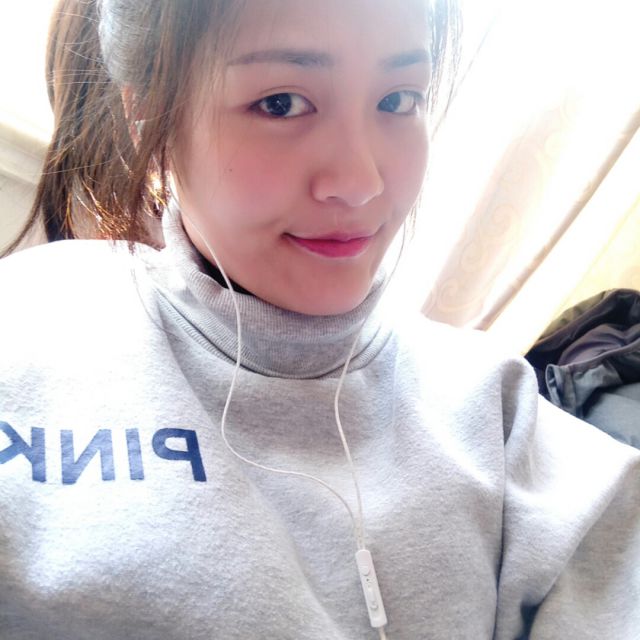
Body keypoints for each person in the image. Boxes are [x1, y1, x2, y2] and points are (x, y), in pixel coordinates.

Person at [0, 0, 638, 638]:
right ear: (148, 118)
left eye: (398, 100)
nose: (360, 183)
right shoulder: (29, 324)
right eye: (281, 103)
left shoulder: (500, 413)